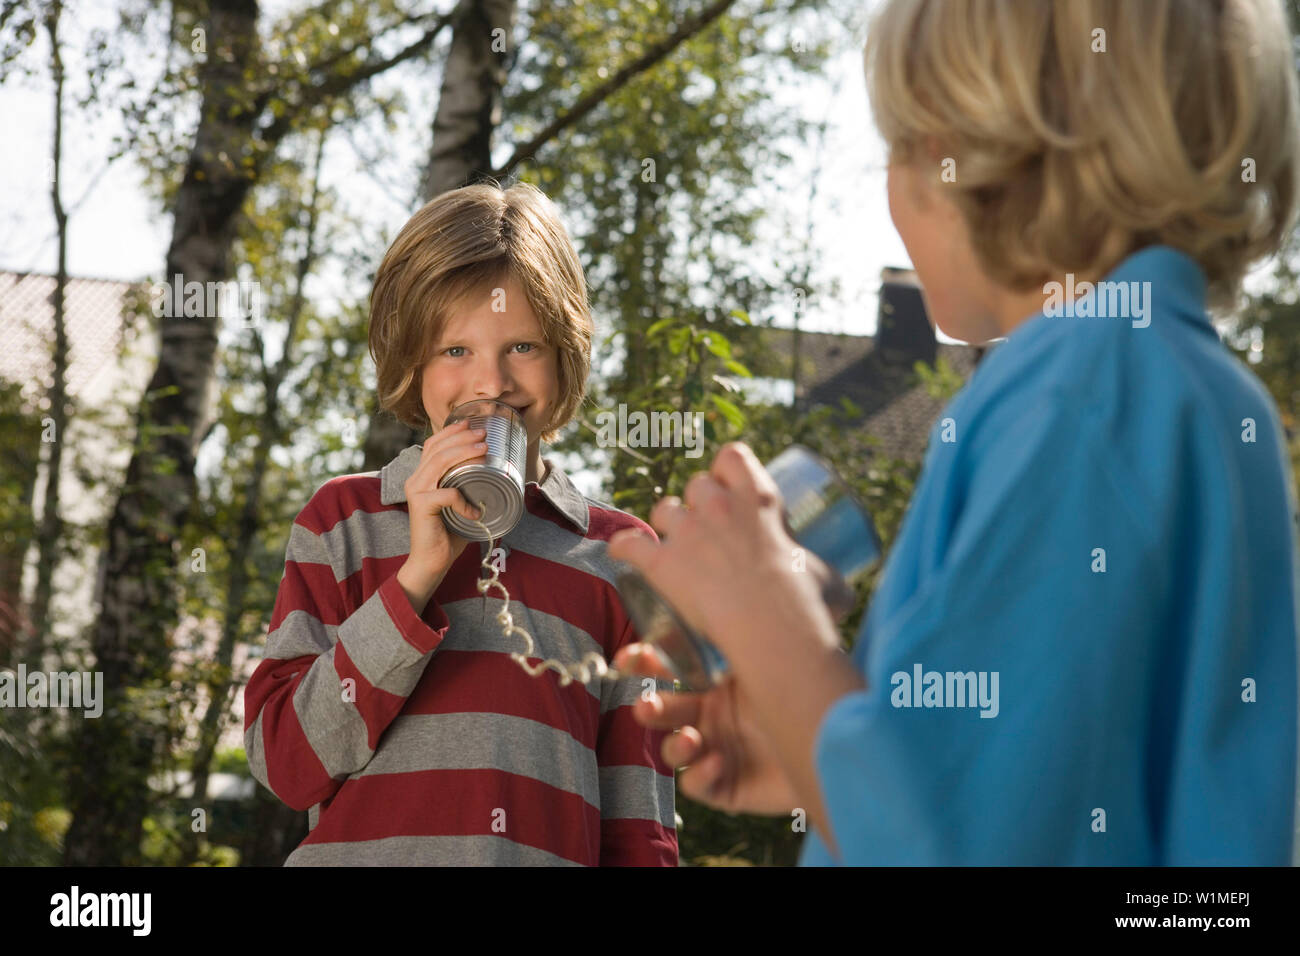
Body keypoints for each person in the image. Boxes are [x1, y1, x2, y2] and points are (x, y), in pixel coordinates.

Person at [608, 0, 1300, 865]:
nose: (890, 184)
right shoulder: (1199, 396)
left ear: (973, 156)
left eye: (900, 142)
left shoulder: (1081, 387)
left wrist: (766, 613)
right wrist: (814, 745)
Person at [244, 182, 678, 866]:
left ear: (566, 358)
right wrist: (416, 578)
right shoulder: (342, 523)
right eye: (455, 351)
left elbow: (640, 824)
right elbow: (287, 765)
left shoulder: (619, 557)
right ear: (410, 364)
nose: (491, 382)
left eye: (523, 347)